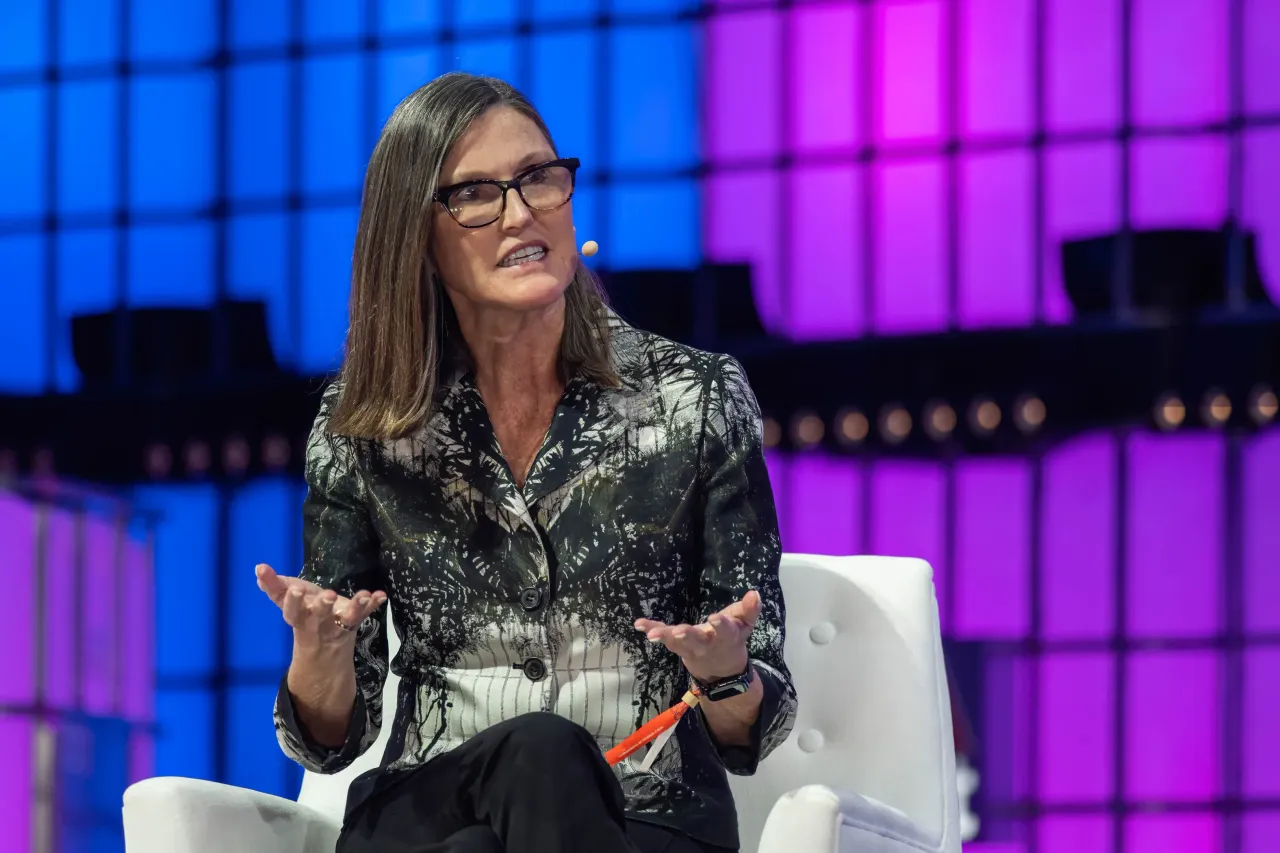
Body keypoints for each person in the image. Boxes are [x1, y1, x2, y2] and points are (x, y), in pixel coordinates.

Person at [254, 71, 796, 853]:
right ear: (418, 237)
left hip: (644, 814)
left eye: (539, 178)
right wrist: (320, 654)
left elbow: (757, 720)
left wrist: (722, 671)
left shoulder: (695, 399)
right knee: (529, 757)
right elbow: (331, 739)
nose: (520, 213)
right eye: (475, 193)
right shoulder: (362, 429)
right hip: (429, 805)